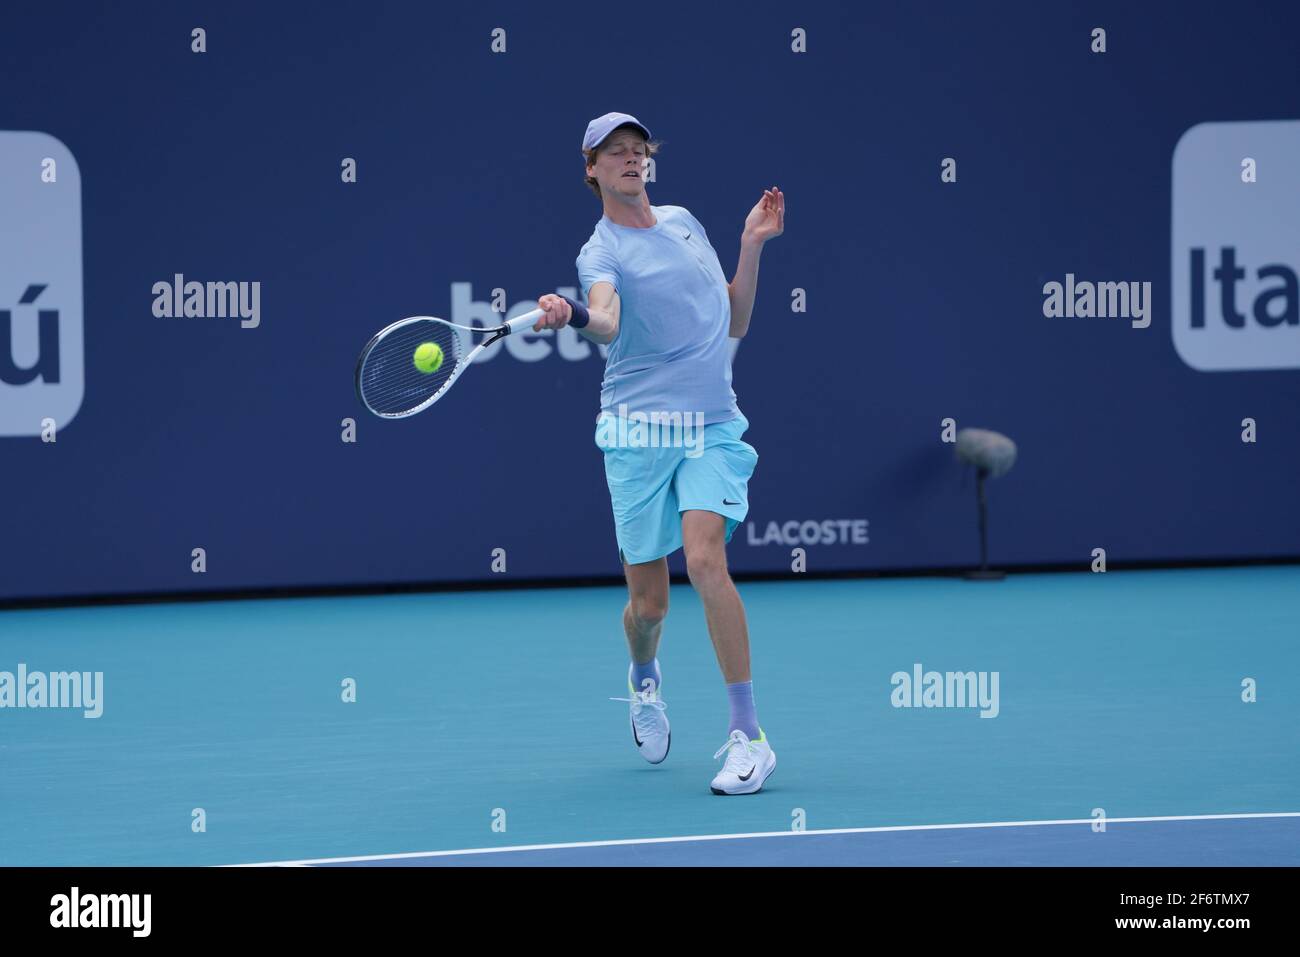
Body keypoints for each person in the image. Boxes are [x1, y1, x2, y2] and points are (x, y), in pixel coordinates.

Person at [535, 112, 784, 795]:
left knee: (705, 557)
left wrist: (750, 243)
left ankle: (748, 737)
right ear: (591, 168)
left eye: (639, 150)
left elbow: (734, 317)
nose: (631, 160)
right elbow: (608, 320)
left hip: (711, 425)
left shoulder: (682, 221)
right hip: (639, 435)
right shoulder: (601, 252)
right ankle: (644, 681)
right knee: (649, 606)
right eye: (615, 152)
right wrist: (578, 316)